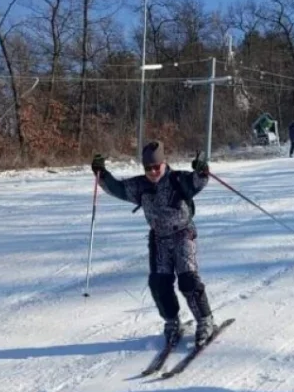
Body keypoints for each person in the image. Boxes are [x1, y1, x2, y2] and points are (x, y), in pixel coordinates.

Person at [91, 142, 217, 347]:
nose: (152, 171)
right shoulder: (140, 185)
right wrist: (101, 174)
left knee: (188, 279)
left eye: (156, 167)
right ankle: (172, 321)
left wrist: (202, 169)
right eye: (147, 168)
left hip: (182, 234)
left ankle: (205, 320)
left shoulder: (178, 180)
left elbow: (198, 181)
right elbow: (118, 188)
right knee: (159, 283)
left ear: (164, 163)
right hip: (159, 238)